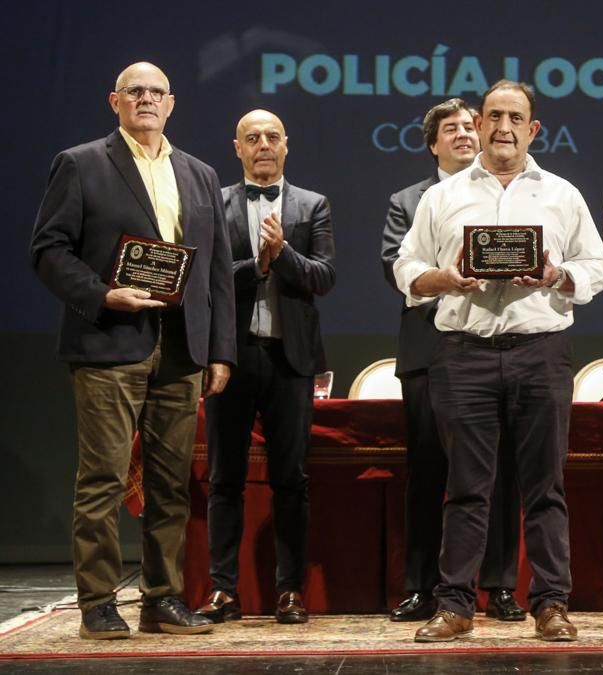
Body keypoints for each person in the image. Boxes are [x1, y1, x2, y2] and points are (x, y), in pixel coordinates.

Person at [394, 80, 603, 642]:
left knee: (545, 486)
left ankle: (551, 604)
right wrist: (446, 278)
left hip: (541, 352)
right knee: (466, 487)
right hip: (464, 355)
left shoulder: (562, 194)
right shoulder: (441, 197)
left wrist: (557, 274)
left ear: (533, 128)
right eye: (493, 116)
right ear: (481, 123)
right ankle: (456, 605)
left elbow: (597, 266)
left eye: (515, 117)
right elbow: (406, 266)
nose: (503, 127)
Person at [29, 62, 234, 639]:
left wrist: (220, 351)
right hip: (108, 342)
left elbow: (217, 270)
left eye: (156, 93)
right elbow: (47, 249)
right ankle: (97, 601)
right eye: (134, 91)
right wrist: (102, 295)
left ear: (172, 103)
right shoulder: (81, 163)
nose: (146, 99)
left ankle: (162, 599)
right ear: (114, 100)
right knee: (103, 479)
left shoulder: (198, 173)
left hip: (181, 348)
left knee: (172, 483)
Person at [380, 98, 525, 623]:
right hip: (430, 352)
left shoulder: (512, 193)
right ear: (432, 142)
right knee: (428, 470)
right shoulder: (410, 200)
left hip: (498, 348)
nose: (465, 134)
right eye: (452, 128)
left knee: (500, 471)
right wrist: (451, 277)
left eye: (471, 125)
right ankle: (423, 586)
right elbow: (396, 268)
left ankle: (500, 585)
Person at [196, 109, 335, 626]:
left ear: (286, 144)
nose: (263, 145)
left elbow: (324, 276)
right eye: (252, 138)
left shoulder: (312, 204)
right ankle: (222, 590)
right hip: (230, 357)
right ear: (237, 147)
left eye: (272, 136)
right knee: (224, 478)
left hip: (290, 358)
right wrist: (255, 266)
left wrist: (283, 257)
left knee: (290, 480)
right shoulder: (218, 202)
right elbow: (204, 279)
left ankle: (290, 591)